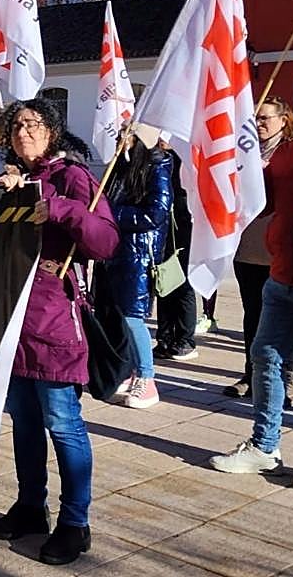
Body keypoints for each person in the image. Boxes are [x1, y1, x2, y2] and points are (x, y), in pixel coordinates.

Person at [0, 97, 120, 567]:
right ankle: (30, 506)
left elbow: (105, 241)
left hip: (55, 320)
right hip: (14, 319)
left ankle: (75, 522)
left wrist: (59, 208)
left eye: (34, 124)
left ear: (52, 131)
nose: (24, 132)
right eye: (17, 125)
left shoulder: (73, 177)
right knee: (23, 420)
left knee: (63, 424)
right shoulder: (10, 179)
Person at [211, 75, 293, 491]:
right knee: (266, 357)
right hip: (282, 274)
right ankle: (264, 446)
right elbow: (262, 202)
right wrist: (237, 176)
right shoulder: (291, 154)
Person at [227, 97, 293, 400]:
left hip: (280, 246)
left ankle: (290, 376)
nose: (259, 124)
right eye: (255, 118)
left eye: (265, 118)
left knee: (290, 314)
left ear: (283, 120)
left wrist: (267, 172)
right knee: (253, 312)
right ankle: (251, 372)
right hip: (248, 244)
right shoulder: (245, 151)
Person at [98, 124, 173, 409]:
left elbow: (156, 212)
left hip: (138, 254)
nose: (120, 141)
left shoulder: (157, 166)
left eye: (125, 136)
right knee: (118, 316)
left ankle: (147, 377)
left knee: (133, 317)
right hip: (116, 251)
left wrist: (110, 214)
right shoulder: (121, 167)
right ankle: (130, 371)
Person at [153, 143, 199, 361]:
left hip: (183, 223)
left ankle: (185, 339)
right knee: (164, 280)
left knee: (182, 281)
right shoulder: (158, 158)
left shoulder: (185, 156)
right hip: (164, 225)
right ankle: (164, 337)